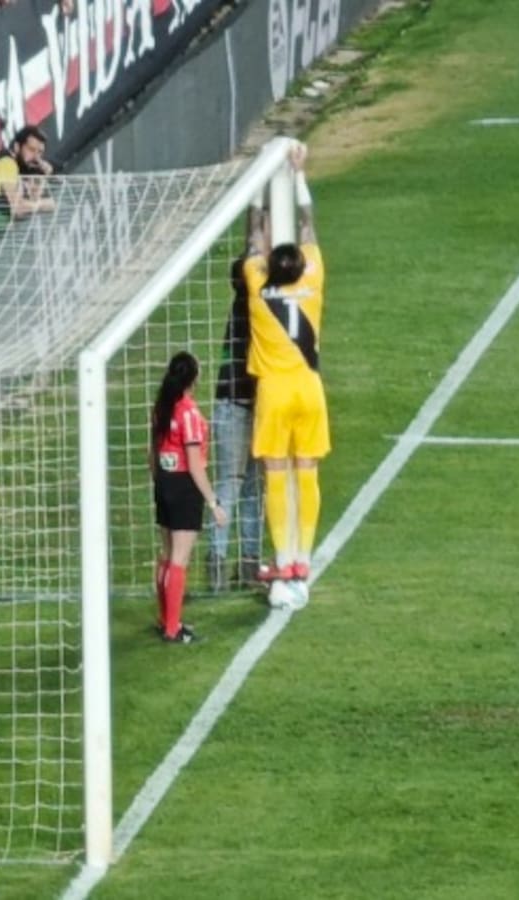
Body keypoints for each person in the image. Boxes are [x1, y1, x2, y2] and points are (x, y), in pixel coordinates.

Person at [243, 141, 328, 610]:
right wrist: (298, 175)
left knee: (276, 473)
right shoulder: (313, 277)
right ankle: (302, 563)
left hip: (274, 390)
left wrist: (258, 187)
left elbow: (254, 233)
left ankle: (282, 558)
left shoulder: (257, 284)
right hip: (309, 388)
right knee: (307, 471)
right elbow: (308, 224)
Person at [151, 351, 226, 643]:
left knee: (167, 555)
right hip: (184, 487)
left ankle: (165, 619)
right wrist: (213, 502)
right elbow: (195, 465)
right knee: (179, 559)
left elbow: (151, 453)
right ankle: (173, 629)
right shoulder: (189, 413)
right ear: (193, 379)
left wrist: (160, 483)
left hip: (164, 483)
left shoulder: (161, 407)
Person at [206, 255, 263, 591]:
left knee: (247, 485)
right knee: (236, 484)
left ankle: (244, 565)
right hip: (237, 408)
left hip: (243, 408)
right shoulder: (251, 311)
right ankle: (223, 562)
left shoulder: (242, 308)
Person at [0, 125, 55, 226]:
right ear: (17, 147)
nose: (36, 157)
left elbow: (33, 200)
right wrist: (43, 204)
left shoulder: (23, 165)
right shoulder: (7, 164)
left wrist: (42, 177)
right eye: (31, 150)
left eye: (40, 152)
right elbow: (18, 209)